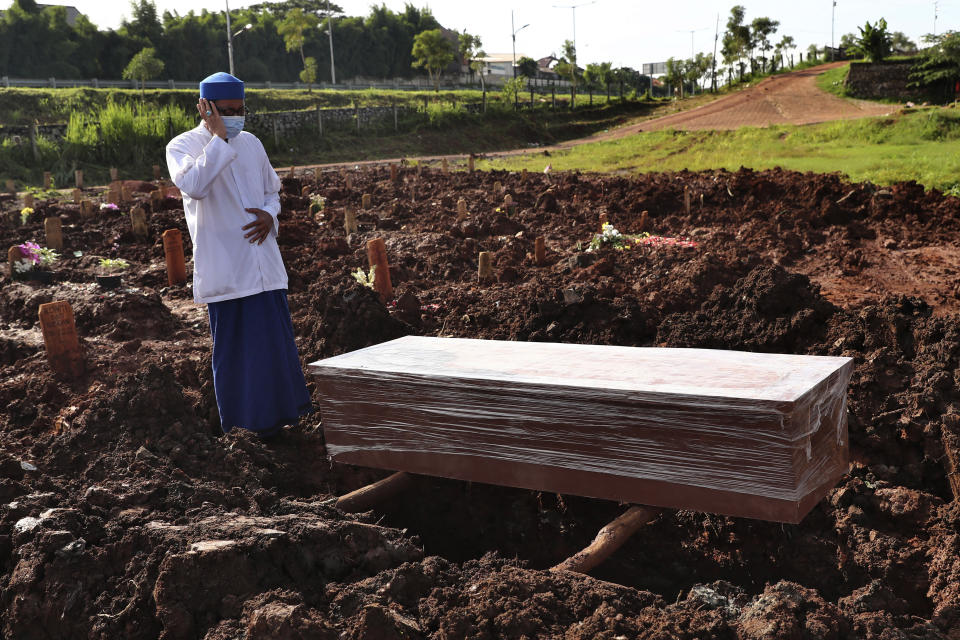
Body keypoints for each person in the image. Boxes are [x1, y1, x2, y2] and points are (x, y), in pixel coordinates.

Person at [165, 71, 311, 438]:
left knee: (275, 349)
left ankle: (286, 421)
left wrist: (270, 215)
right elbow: (195, 187)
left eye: (240, 109)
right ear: (206, 108)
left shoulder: (252, 144)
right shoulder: (182, 147)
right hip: (228, 272)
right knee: (238, 357)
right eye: (226, 110)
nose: (234, 116)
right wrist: (217, 139)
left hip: (264, 264)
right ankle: (245, 431)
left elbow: (272, 191)